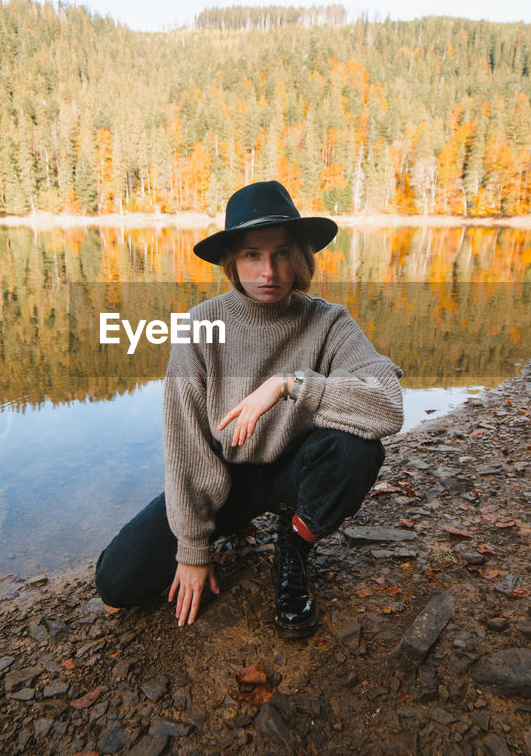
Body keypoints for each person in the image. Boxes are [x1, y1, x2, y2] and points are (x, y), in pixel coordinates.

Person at [95, 180, 403, 637]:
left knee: (357, 448)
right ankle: (230, 528)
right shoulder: (200, 326)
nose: (269, 272)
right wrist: (194, 549)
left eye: (281, 252)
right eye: (252, 255)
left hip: (294, 472)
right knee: (116, 582)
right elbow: (185, 446)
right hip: (225, 480)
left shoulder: (329, 322)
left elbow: (389, 407)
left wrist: (289, 385)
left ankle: (294, 546)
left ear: (300, 256)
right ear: (232, 263)